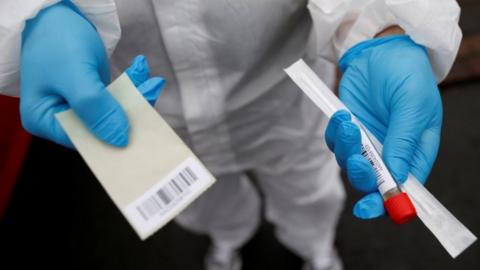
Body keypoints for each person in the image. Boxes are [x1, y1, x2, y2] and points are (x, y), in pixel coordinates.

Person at [0, 1, 461, 270]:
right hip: (150, 107)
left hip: (280, 92)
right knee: (199, 199)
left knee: (306, 186)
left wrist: (383, 25)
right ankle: (229, 237)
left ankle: (315, 247)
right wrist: (39, 13)